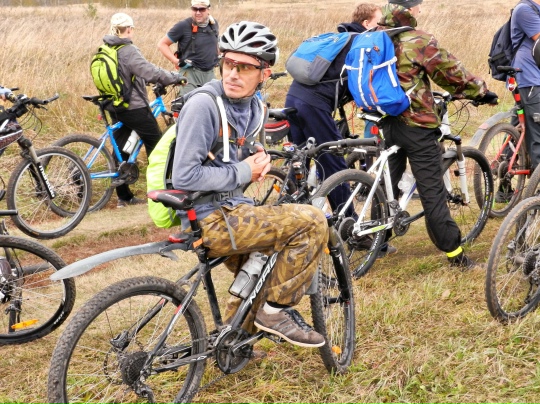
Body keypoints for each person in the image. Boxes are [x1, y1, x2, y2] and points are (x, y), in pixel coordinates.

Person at [171, 21, 328, 348]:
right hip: (209, 220)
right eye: (228, 63)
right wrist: (244, 171)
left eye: (244, 67)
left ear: (264, 74)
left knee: (268, 267)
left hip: (233, 210)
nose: (232, 73)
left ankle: (232, 343)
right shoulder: (203, 105)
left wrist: (257, 158)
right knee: (313, 221)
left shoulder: (256, 107)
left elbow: (236, 153)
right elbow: (185, 176)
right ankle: (274, 314)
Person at [377, 0, 498, 269]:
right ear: (410, 9)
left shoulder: (374, 37)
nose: (420, 10)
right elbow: (450, 73)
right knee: (432, 190)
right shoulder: (418, 40)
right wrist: (481, 92)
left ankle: (376, 240)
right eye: (418, 5)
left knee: (387, 183)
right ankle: (455, 254)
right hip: (416, 124)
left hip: (385, 120)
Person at [285, 4, 397, 258]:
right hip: (314, 105)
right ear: (367, 24)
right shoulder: (360, 44)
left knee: (299, 163)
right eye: (379, 22)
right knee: (334, 165)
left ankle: (292, 224)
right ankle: (353, 232)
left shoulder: (340, 38)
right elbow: (363, 85)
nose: (382, 28)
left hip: (293, 99)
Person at [101, 12, 186, 208]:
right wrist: (174, 77)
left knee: (122, 149)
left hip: (115, 105)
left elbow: (128, 75)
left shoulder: (108, 48)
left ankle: (124, 197)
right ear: (129, 29)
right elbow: (149, 71)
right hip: (134, 107)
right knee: (157, 145)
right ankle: (160, 192)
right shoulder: (128, 50)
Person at [157, 0, 219, 96]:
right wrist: (176, 61)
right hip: (190, 74)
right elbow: (162, 44)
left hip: (210, 73)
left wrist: (219, 57)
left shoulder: (213, 24)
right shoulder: (183, 26)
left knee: (211, 102)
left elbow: (215, 44)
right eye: (195, 9)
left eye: (202, 9)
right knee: (189, 103)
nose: (198, 12)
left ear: (208, 10)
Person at [511, 0, 540, 184]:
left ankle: (504, 190)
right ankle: (537, 190)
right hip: (530, 79)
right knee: (537, 135)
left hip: (532, 78)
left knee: (516, 132)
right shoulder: (525, 10)